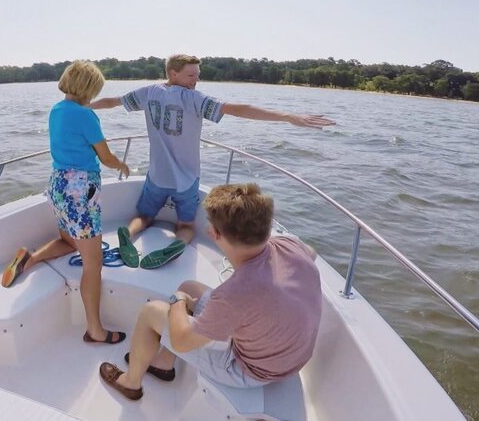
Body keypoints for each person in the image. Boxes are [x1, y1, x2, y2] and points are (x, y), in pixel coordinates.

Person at [90, 54, 335, 269]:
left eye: (197, 74)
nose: (195, 80)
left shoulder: (149, 92)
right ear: (173, 73)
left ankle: (129, 232)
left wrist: (85, 106)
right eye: (190, 75)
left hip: (157, 175)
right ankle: (176, 245)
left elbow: (113, 101)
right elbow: (239, 108)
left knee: (144, 215)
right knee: (186, 224)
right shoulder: (193, 98)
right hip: (186, 179)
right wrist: (288, 116)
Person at [99, 183, 322, 400]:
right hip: (288, 356)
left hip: (251, 370)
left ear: (214, 233)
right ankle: (164, 364)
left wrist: (178, 301)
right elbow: (310, 253)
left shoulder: (234, 294)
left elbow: (181, 341)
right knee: (190, 287)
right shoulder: (291, 246)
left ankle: (131, 383)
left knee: (152, 311)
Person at [1, 60, 131, 344]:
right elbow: (106, 158)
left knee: (71, 240)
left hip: (58, 185)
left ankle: (30, 259)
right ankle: (95, 330)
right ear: (89, 87)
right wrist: (122, 165)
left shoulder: (57, 110)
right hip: (81, 191)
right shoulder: (85, 115)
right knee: (92, 265)